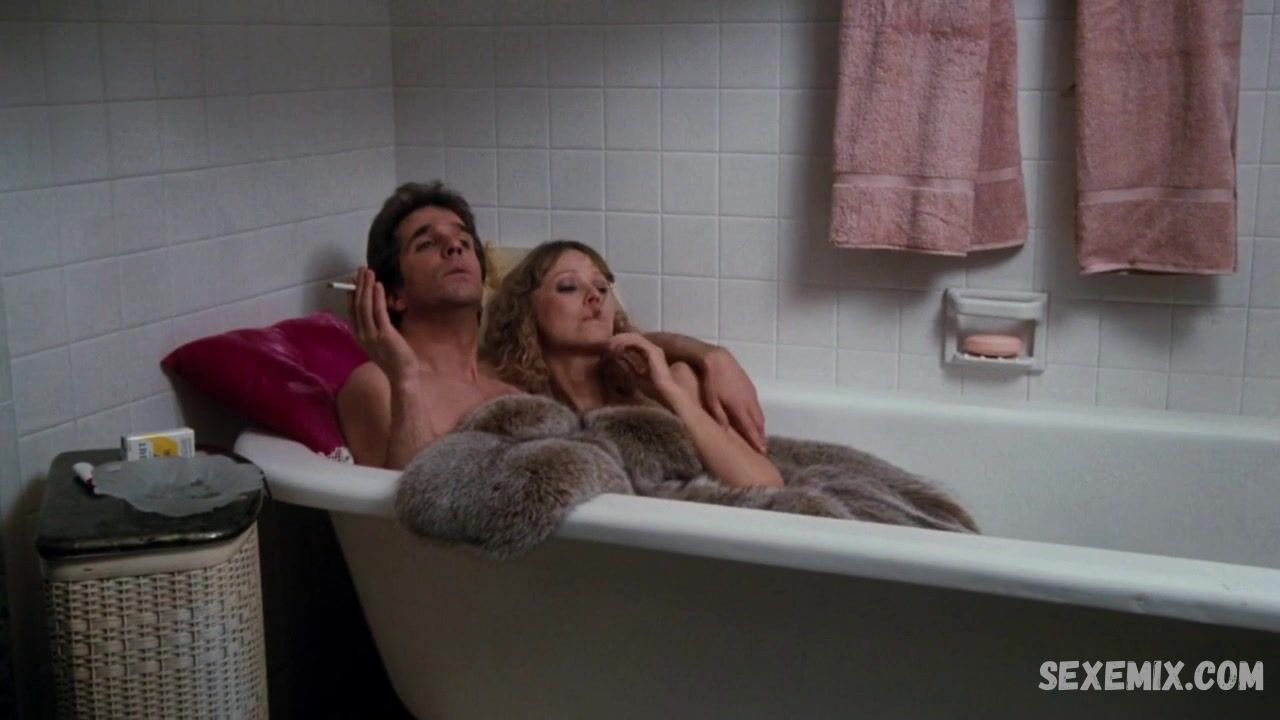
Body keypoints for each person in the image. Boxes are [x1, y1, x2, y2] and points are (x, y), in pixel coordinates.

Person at [337, 181, 766, 470]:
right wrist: (405, 378)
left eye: (464, 239)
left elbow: (595, 340)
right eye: (428, 243)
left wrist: (709, 354)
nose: (455, 246)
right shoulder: (378, 383)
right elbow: (408, 509)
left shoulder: (509, 378)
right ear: (392, 294)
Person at [482, 240, 783, 489]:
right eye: (568, 286)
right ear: (527, 309)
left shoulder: (668, 383)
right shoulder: (519, 404)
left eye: (602, 288)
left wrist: (670, 392)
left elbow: (766, 486)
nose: (594, 297)